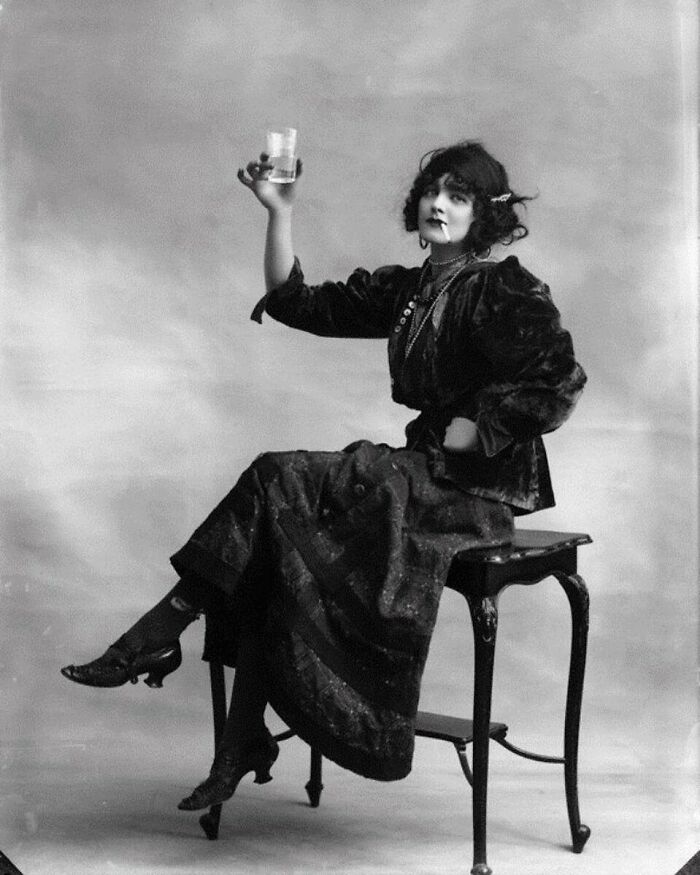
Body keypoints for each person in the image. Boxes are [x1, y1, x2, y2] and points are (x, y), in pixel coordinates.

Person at [61, 140, 587, 812]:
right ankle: (239, 730)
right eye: (432, 189)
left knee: (278, 476)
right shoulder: (410, 289)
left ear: (483, 213)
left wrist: (484, 428)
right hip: (417, 474)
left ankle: (160, 634)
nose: (438, 203)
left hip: (473, 490)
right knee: (280, 519)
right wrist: (278, 211)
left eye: (458, 195)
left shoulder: (503, 287)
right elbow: (297, 302)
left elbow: (561, 379)